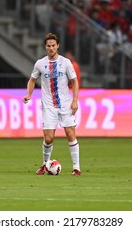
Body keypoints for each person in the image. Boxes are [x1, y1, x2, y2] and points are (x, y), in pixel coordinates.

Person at [22, 33, 81, 176]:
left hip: (65, 105)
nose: (51, 48)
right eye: (48, 46)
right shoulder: (40, 64)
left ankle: (76, 167)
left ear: (58, 46)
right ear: (45, 47)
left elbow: (74, 81)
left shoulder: (66, 62)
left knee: (70, 134)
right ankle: (44, 165)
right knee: (48, 138)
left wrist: (74, 100)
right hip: (48, 106)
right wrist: (29, 94)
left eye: (53, 45)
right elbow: (32, 80)